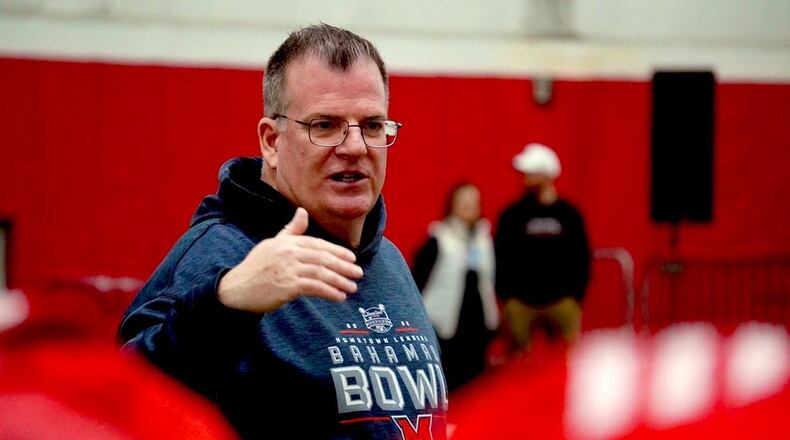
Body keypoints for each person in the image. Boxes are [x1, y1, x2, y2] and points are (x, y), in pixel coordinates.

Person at [118, 24, 448, 440]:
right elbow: (115, 409)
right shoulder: (219, 256)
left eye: (372, 125)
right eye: (325, 125)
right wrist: (223, 306)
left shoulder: (390, 261)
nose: (355, 147)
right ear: (272, 142)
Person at [495, 143, 590, 351]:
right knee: (517, 366)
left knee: (565, 360)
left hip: (562, 301)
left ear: (546, 175)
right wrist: (507, 296)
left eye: (531, 173)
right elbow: (501, 255)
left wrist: (575, 296)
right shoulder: (511, 215)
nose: (525, 178)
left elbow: (581, 256)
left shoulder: (569, 214)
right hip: (520, 302)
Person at [412, 183, 499, 391]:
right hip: (445, 324)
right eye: (464, 201)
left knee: (477, 382)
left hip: (477, 321)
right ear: (453, 204)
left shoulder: (484, 238)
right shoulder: (439, 238)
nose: (469, 206)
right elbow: (419, 278)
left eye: (474, 201)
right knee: (450, 379)